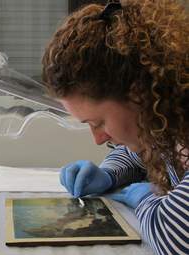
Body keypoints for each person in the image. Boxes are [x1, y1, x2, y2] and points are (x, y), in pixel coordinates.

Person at [41, 0, 188, 254]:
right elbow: (141, 154)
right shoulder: (165, 117)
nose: (98, 139)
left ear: (138, 94)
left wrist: (144, 200)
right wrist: (109, 174)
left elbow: (174, 238)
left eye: (98, 123)